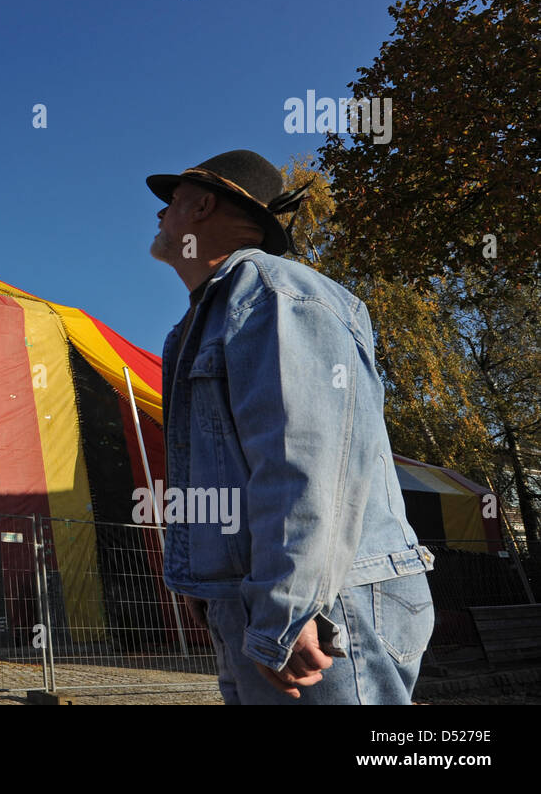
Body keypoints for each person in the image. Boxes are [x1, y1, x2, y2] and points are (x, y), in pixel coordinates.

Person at [146, 149, 435, 704]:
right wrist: (206, 582)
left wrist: (289, 605)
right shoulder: (208, 315)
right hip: (262, 598)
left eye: (172, 202)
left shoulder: (275, 292)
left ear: (203, 205)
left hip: (326, 604)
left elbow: (306, 458)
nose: (160, 217)